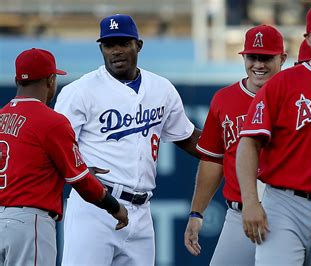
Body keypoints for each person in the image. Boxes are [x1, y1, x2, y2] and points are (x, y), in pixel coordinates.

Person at [54, 14, 201, 265]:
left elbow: (187, 137)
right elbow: (55, 145)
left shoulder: (161, 88)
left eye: (123, 43)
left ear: (138, 45)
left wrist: (232, 150)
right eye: (110, 45)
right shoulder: (79, 91)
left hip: (141, 210)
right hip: (95, 207)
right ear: (101, 48)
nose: (117, 51)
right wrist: (76, 169)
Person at [236, 2, 311, 265]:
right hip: (285, 205)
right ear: (308, 38)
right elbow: (248, 144)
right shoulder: (283, 83)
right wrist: (251, 201)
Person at [0, 48, 128, 266]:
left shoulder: (2, 116)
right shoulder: (52, 121)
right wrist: (114, 207)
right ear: (51, 80)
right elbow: (81, 182)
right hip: (28, 222)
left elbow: (31, 164)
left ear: (16, 80)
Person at [183, 24, 287, 265]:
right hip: (239, 214)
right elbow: (212, 159)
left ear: (282, 58)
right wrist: (197, 213)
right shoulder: (224, 99)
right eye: (252, 57)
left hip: (287, 212)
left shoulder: (295, 96)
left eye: (266, 58)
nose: (258, 65)